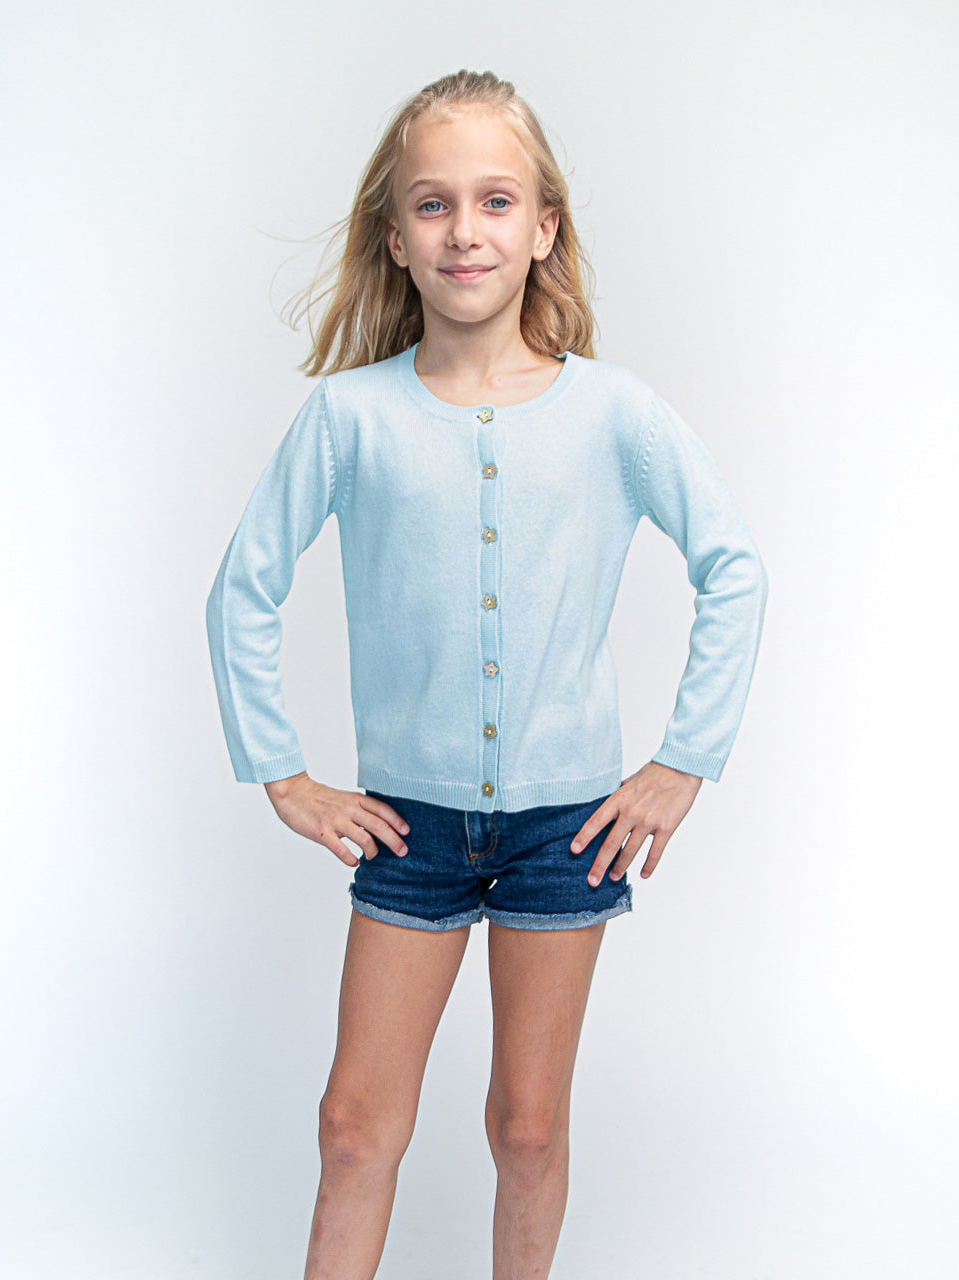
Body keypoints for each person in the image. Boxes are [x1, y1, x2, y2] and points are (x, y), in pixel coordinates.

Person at [206, 68, 767, 1280]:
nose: (466, 229)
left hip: (568, 826)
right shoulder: (348, 418)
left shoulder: (615, 413)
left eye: (496, 200)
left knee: (527, 1126)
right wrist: (282, 772)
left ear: (543, 227)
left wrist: (683, 759)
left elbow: (733, 567)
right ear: (395, 237)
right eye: (434, 204)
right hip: (406, 822)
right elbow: (241, 588)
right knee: (353, 1126)